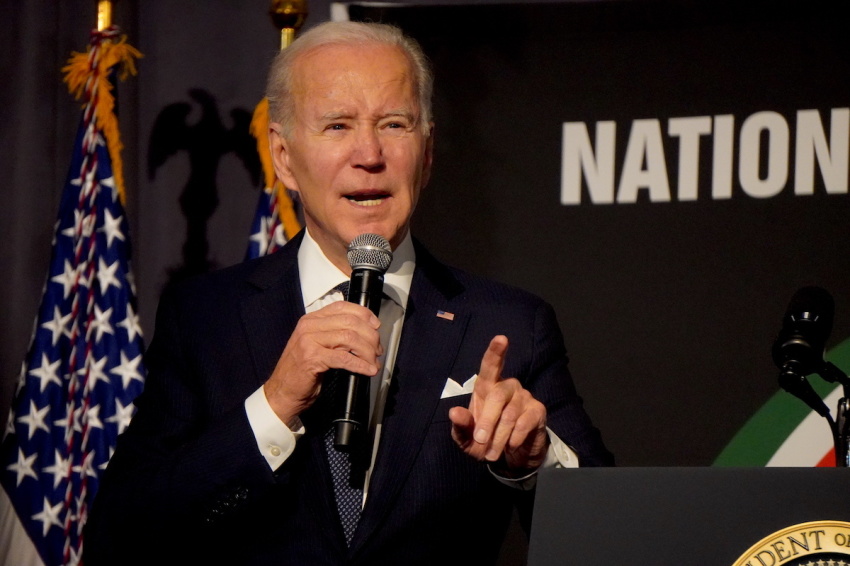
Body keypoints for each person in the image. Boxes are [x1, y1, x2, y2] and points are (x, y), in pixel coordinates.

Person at [84, 20, 614, 566]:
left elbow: (611, 536)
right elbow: (119, 537)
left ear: (428, 152)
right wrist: (273, 406)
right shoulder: (204, 319)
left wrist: (535, 461)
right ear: (284, 156)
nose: (369, 153)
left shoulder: (510, 323)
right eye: (337, 125)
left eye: (394, 124)